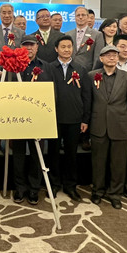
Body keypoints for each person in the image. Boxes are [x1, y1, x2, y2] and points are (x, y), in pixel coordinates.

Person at [88, 45, 127, 210]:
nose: (111, 58)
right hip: (99, 125)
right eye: (108, 55)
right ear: (101, 58)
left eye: (114, 55)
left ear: (118, 58)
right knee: (98, 162)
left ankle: (115, 194)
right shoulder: (91, 76)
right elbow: (89, 102)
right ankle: (97, 191)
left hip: (121, 125)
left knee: (118, 164)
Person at [47, 35, 91, 201]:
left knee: (71, 154)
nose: (66, 50)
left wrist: (85, 119)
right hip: (54, 119)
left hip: (74, 119)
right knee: (53, 153)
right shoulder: (49, 68)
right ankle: (54, 184)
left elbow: (86, 96)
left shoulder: (80, 69)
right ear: (56, 49)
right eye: (63, 47)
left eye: (69, 47)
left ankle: (70, 185)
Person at [12, 35, 50, 205]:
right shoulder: (12, 67)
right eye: (25, 45)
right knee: (18, 154)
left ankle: (34, 188)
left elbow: (51, 92)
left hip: (38, 119)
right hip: (17, 118)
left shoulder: (46, 67)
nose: (29, 48)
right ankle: (20, 188)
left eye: (32, 45)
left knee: (37, 154)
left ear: (37, 47)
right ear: (20, 48)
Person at [0, 3, 24, 80]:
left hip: (15, 76)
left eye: (9, 13)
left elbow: (22, 55)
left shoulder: (21, 33)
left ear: (13, 14)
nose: (7, 15)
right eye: (4, 13)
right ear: (0, 14)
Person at [66, 6, 104, 72]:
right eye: (78, 15)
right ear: (75, 18)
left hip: (88, 72)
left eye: (83, 15)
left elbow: (97, 58)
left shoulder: (97, 35)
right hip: (69, 71)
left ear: (87, 17)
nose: (80, 17)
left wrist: (93, 73)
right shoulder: (67, 34)